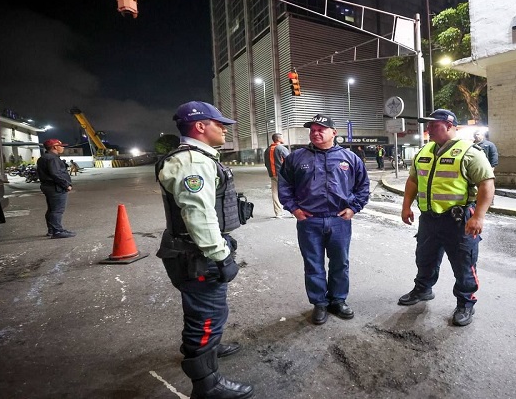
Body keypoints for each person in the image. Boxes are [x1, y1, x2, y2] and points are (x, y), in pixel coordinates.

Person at [154, 101, 254, 399]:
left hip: (189, 250)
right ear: (200, 126)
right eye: (219, 124)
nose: (224, 129)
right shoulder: (193, 162)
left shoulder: (195, 157)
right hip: (197, 255)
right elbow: (198, 214)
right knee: (208, 315)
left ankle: (207, 348)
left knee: (202, 311)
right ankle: (207, 385)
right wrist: (221, 256)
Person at [398, 109, 495, 327]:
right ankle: (423, 289)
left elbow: (487, 184)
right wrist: (406, 206)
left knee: (463, 264)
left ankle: (466, 303)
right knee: (425, 258)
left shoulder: (470, 152)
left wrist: (479, 217)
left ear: (450, 126)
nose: (428, 129)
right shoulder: (424, 151)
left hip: (458, 221)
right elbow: (413, 180)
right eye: (428, 125)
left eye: (434, 125)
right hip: (429, 219)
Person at [278, 114, 370, 325]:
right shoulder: (296, 158)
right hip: (309, 222)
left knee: (340, 262)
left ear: (334, 133)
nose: (316, 133)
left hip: (339, 221)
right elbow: (284, 186)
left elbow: (363, 186)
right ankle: (319, 303)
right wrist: (294, 209)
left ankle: (338, 300)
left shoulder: (350, 158)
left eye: (321, 129)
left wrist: (353, 208)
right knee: (313, 264)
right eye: (312, 130)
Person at [37, 139, 75, 239]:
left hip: (48, 186)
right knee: (57, 210)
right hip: (56, 187)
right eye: (61, 146)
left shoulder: (43, 157)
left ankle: (52, 230)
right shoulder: (52, 158)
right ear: (54, 147)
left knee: (52, 209)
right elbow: (55, 174)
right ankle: (57, 231)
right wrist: (66, 185)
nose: (62, 148)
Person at [264, 133, 290, 218]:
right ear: (278, 139)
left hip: (272, 174)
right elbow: (290, 161)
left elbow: (266, 163)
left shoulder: (267, 150)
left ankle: (278, 213)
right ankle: (293, 212)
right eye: (283, 137)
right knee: (290, 192)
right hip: (283, 175)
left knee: (275, 193)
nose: (284, 139)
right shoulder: (281, 148)